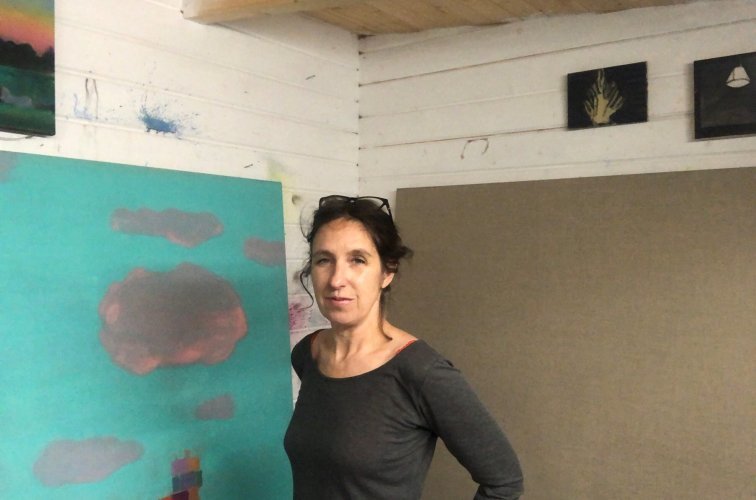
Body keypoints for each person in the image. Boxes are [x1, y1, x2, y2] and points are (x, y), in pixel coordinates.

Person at [284, 195, 524, 500]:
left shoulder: (422, 373)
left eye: (357, 260)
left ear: (387, 271)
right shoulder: (308, 354)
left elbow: (505, 481)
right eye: (324, 260)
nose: (336, 279)